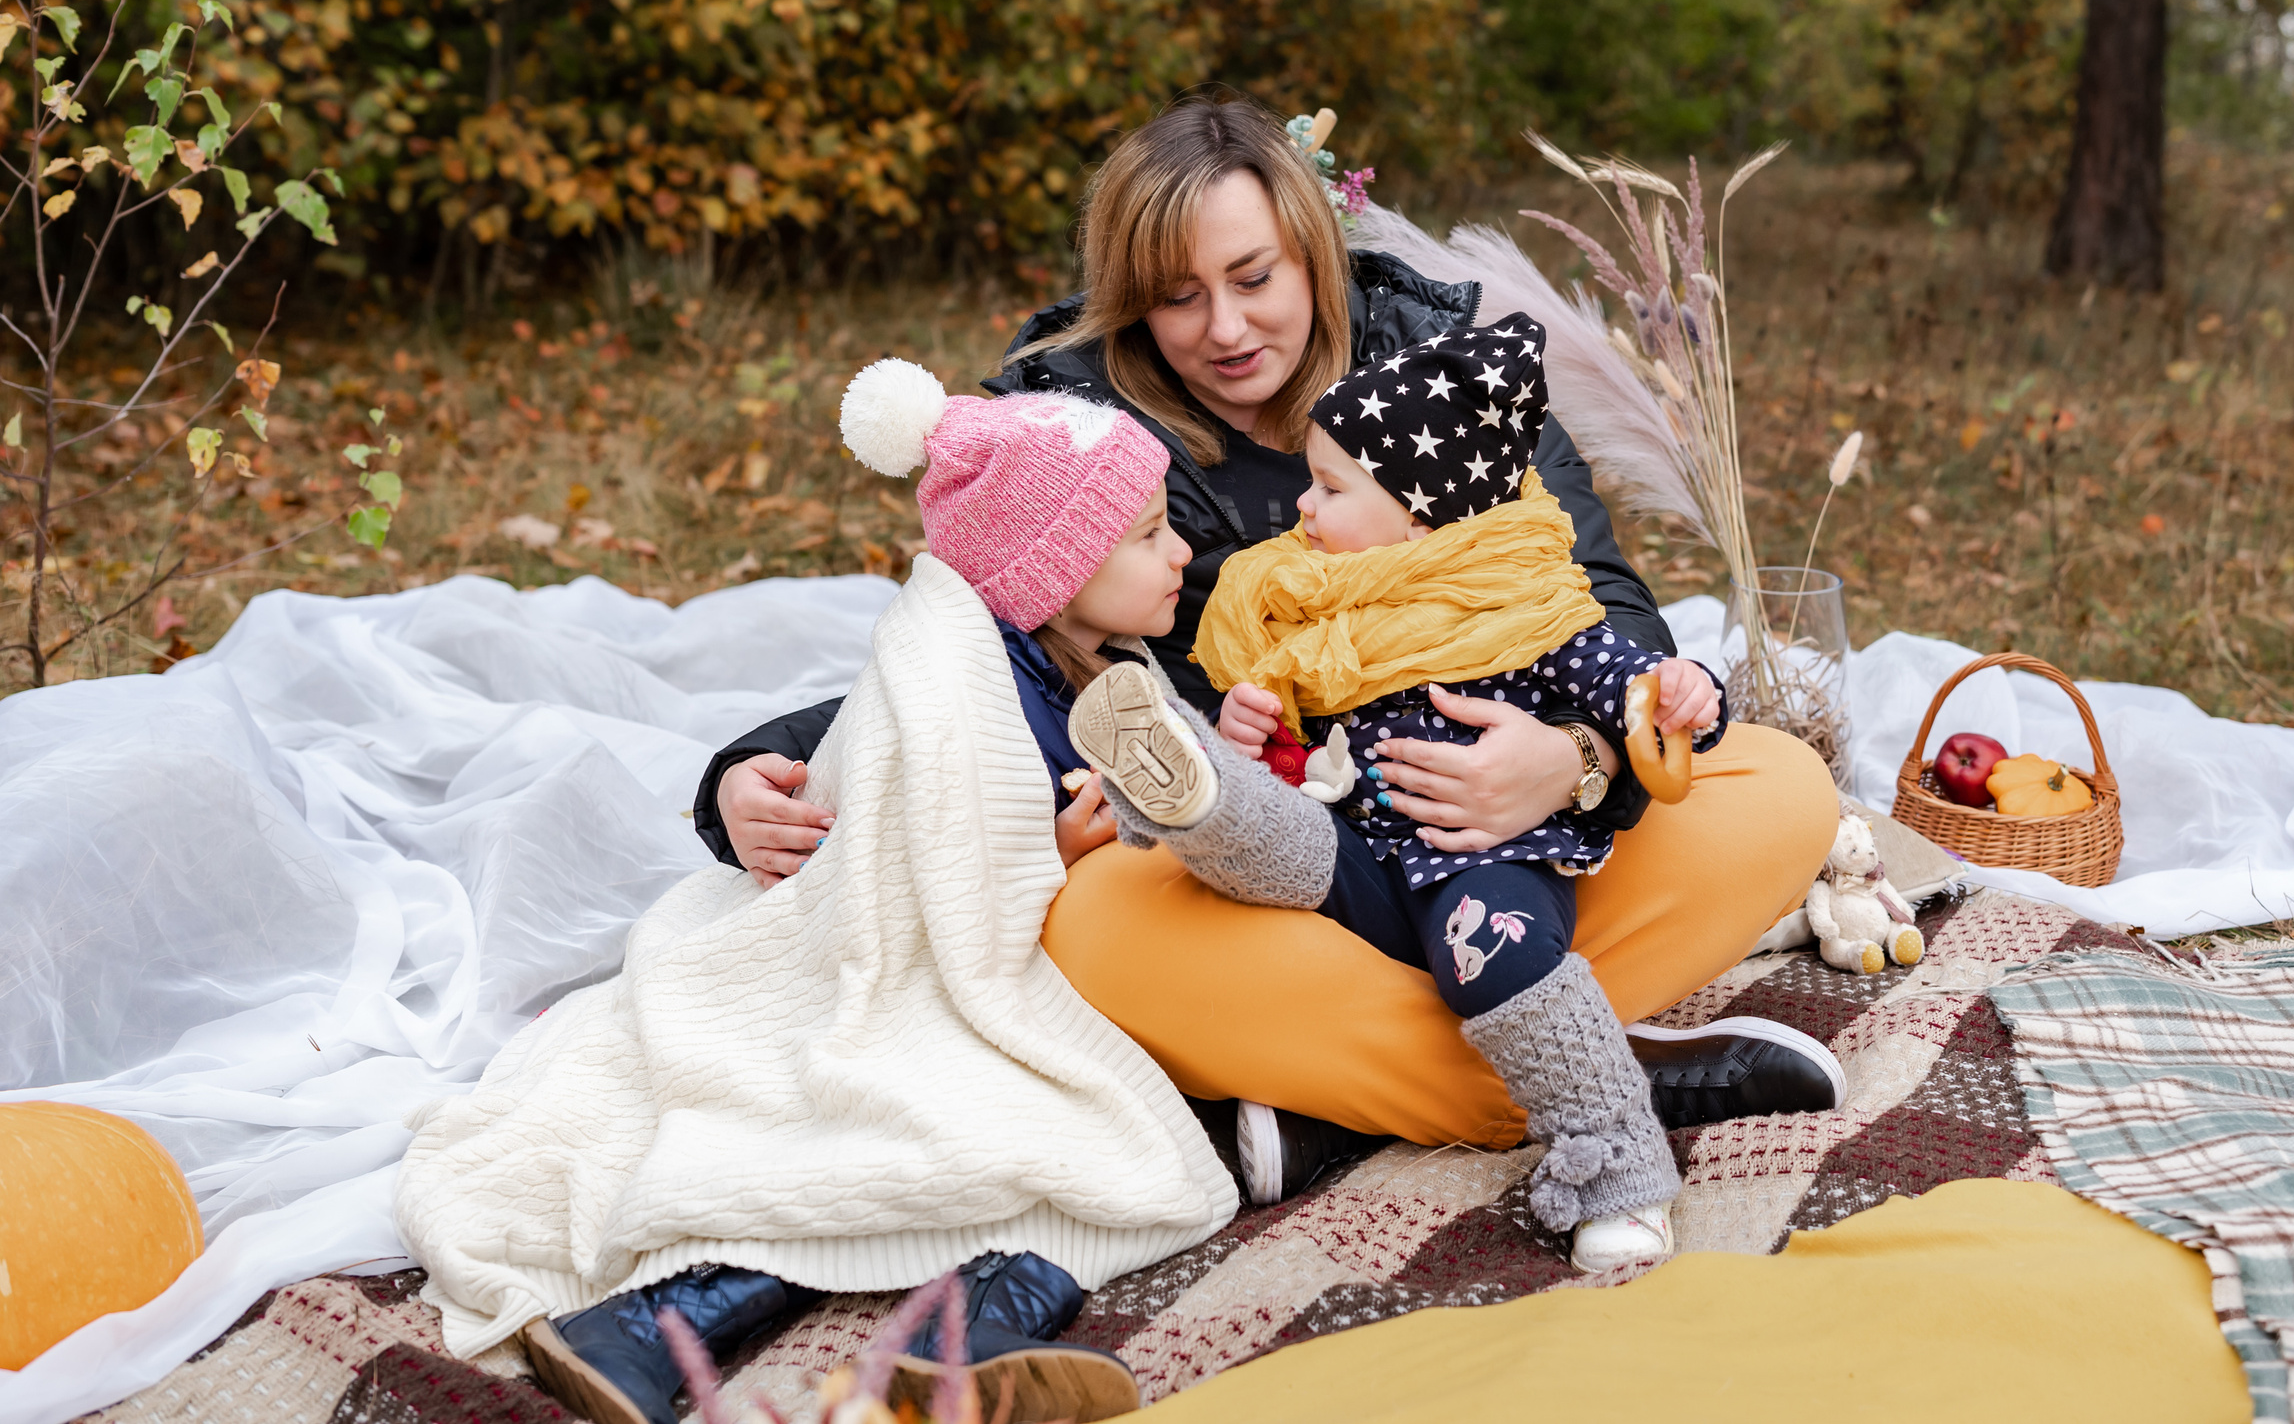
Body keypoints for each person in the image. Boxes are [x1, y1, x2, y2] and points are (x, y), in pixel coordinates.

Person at [693, 96, 1842, 1188]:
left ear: (1310, 250)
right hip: (1281, 853)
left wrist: (1573, 761)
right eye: (1178, 296)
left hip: (1509, 831)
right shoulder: (1078, 432)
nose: (1226, 328)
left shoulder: (1448, 364)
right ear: (1131, 298)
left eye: (1253, 277)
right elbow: (974, 648)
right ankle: (1585, 1074)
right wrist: (748, 771)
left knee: (1781, 786)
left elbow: (1600, 599)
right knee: (1090, 924)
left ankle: (1335, 1098)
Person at [1065, 316, 1829, 1273]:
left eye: (1330, 489)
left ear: (1421, 518)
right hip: (1355, 859)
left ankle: (1615, 1160)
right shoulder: (1318, 605)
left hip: (1483, 863)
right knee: (1260, 852)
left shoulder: (1532, 610)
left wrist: (1666, 705)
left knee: (1493, 957)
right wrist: (1251, 737)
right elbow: (1309, 749)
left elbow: (1642, 694)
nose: (1301, 508)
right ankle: (1197, 793)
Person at [521, 363, 1206, 1424]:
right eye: (1148, 534)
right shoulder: (960, 681)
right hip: (860, 967)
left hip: (996, 964)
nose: (1182, 551)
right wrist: (1052, 856)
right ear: (1057, 566)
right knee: (1024, 1124)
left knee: (1050, 1127)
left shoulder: (1093, 665)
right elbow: (927, 858)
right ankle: (667, 1313)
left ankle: (975, 1327)